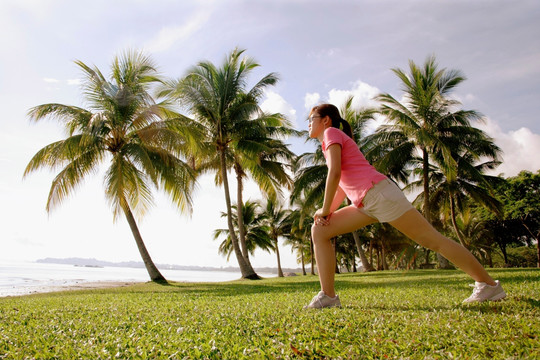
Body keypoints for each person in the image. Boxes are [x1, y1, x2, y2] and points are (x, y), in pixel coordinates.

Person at [304, 103, 506, 309]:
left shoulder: (331, 134)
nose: (308, 125)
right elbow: (340, 185)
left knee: (433, 240)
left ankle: (489, 285)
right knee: (320, 231)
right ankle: (328, 297)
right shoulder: (329, 142)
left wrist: (325, 209)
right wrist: (327, 212)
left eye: (311, 119)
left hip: (378, 194)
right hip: (366, 202)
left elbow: (335, 173)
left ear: (326, 120)